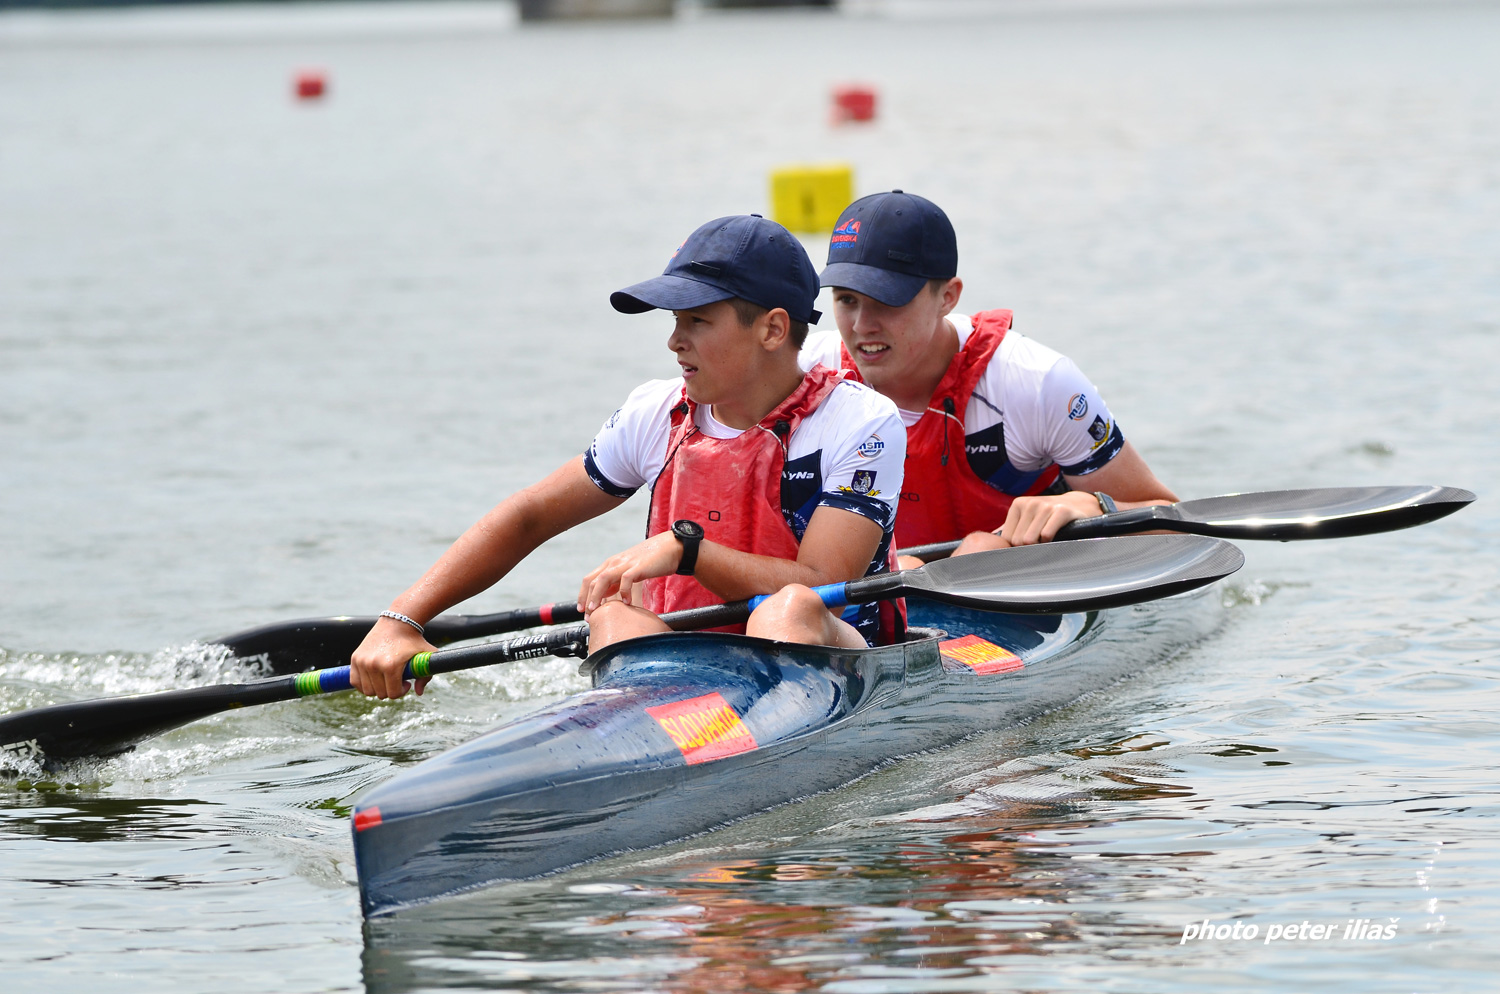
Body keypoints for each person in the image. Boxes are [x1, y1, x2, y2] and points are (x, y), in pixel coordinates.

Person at [350, 215, 907, 700]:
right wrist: (402, 617)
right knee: (612, 616)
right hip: (693, 654)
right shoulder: (655, 412)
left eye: (696, 320)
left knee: (787, 609)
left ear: (772, 328)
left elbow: (824, 585)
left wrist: (689, 553)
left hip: (840, 655)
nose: (673, 341)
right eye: (673, 321)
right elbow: (529, 516)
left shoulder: (859, 422)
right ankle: (647, 725)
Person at [801, 190, 1177, 563]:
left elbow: (1174, 528)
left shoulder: (1037, 383)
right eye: (846, 300)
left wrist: (1094, 507)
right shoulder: (806, 378)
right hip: (877, 594)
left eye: (887, 302)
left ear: (948, 296)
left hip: (1008, 587)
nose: (862, 326)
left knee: (983, 551)